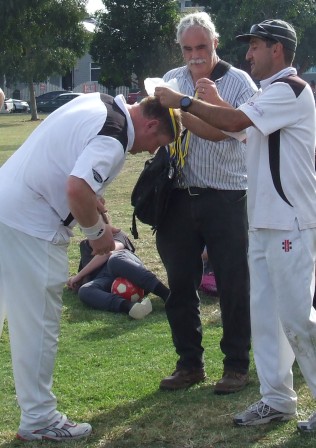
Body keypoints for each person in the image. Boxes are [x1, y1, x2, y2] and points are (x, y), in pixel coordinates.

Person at [155, 19, 316, 432]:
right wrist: (185, 109)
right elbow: (225, 129)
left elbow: (232, 124)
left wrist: (186, 101)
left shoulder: (292, 90)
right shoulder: (266, 96)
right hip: (262, 224)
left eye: (256, 46)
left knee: (299, 319)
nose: (248, 55)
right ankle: (277, 400)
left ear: (277, 50)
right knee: (264, 319)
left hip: (290, 225)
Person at [0, 92, 182, 441]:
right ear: (152, 123)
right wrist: (98, 236)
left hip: (8, 204)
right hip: (31, 225)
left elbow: (69, 165)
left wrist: (91, 201)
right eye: (158, 141)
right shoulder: (114, 138)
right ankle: (39, 417)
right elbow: (77, 187)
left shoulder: (97, 102)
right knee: (38, 325)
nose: (151, 150)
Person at [155, 11, 257, 394]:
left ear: (215, 42)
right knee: (180, 285)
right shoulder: (171, 79)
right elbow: (161, 129)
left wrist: (182, 108)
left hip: (227, 194)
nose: (195, 55)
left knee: (234, 283)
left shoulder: (239, 82)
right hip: (178, 195)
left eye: (201, 46)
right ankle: (189, 364)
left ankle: (236, 365)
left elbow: (229, 131)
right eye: (187, 48)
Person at [67, 228, 169, 318]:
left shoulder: (117, 235)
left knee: (114, 260)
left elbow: (108, 253)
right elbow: (86, 278)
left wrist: (79, 276)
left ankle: (167, 295)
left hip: (127, 269)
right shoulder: (84, 246)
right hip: (106, 279)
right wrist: (75, 282)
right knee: (84, 290)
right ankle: (130, 307)